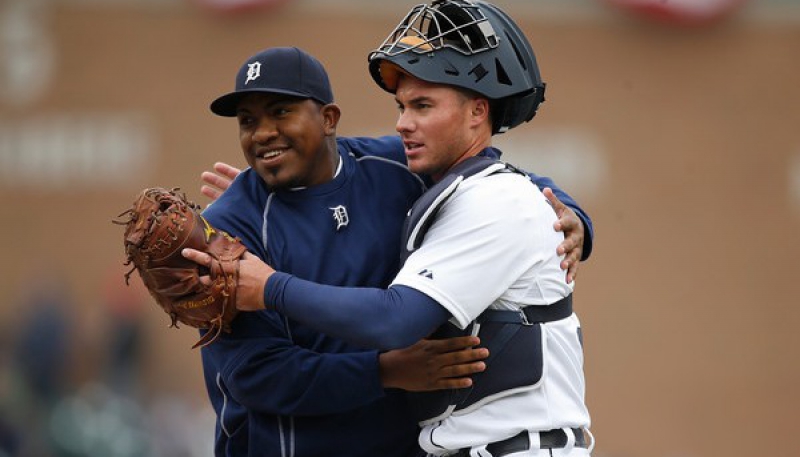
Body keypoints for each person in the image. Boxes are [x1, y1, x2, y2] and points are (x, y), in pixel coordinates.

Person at [189, 1, 595, 456]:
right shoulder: (229, 227)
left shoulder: (392, 167)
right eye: (248, 121)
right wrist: (382, 371)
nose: (262, 133)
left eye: (280, 112)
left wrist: (572, 214)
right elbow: (252, 375)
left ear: (328, 120)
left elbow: (500, 183)